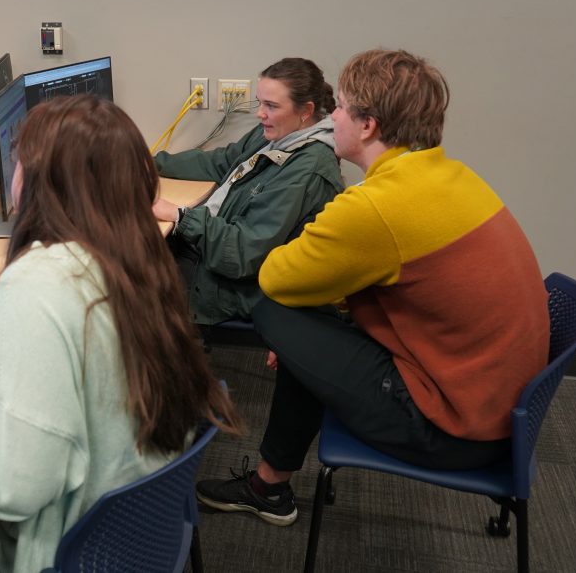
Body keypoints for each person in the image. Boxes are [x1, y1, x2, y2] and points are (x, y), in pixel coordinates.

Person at [0, 94, 238, 572]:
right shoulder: (133, 257)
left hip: (59, 549)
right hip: (125, 543)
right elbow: (95, 343)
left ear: (38, 183)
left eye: (17, 164)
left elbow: (13, 485)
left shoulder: (37, 284)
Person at [195, 49, 550, 526]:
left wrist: (299, 333)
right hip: (493, 407)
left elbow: (273, 277)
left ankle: (269, 488)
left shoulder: (375, 207)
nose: (331, 116)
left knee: (275, 305)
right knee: (309, 317)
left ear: (367, 125)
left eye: (338, 106)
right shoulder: (455, 177)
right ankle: (269, 487)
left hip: (450, 428)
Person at [152, 58, 344, 325]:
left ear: (306, 110)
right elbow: (223, 161)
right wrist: (151, 163)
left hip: (230, 282)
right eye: (260, 102)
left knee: (126, 283)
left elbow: (241, 254)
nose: (260, 114)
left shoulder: (306, 169)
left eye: (272, 106)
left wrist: (180, 216)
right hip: (212, 246)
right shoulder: (279, 133)